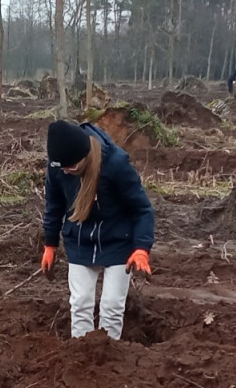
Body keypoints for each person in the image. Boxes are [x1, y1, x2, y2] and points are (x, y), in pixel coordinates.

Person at [41, 120, 154, 340]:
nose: (67, 171)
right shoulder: (59, 166)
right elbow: (54, 206)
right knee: (80, 303)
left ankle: (109, 355)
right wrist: (50, 244)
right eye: (62, 167)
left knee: (111, 306)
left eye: (71, 167)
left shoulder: (115, 164)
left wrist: (141, 247)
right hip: (80, 240)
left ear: (84, 157)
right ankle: (80, 354)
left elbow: (142, 209)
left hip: (118, 241)